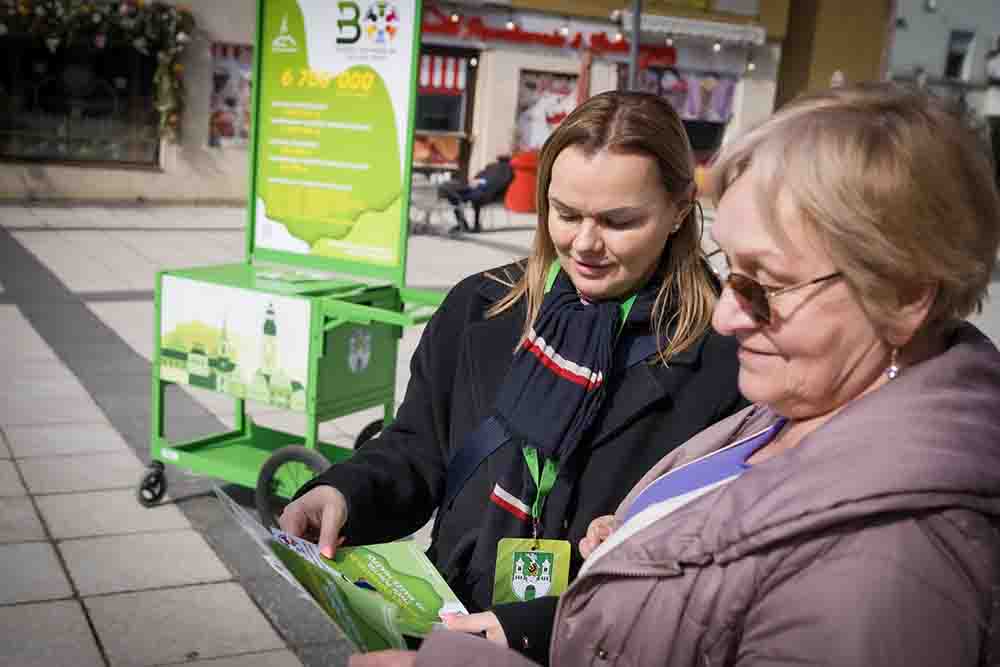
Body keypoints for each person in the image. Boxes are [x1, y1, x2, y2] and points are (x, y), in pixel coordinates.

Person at [355, 83, 1000, 667]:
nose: (724, 312)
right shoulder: (787, 409)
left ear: (904, 296)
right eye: (565, 213)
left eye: (764, 286)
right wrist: (637, 541)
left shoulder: (893, 567)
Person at [280, 90, 745, 663]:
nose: (584, 243)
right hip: (449, 620)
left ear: (680, 209)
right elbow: (418, 447)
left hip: (587, 645)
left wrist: (533, 628)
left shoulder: (727, 358)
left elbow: (704, 570)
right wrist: (345, 493)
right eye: (565, 214)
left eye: (619, 221)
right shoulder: (482, 308)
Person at [438, 155, 514, 234]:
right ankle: (463, 223)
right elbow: (479, 176)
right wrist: (476, 181)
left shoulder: (507, 171)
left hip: (488, 193)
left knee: (457, 196)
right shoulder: (492, 167)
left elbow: (497, 183)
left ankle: (468, 224)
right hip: (478, 190)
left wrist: (480, 182)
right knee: (454, 195)